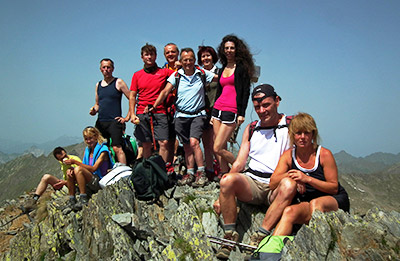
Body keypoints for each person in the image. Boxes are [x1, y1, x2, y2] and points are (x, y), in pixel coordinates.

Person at [214, 84, 290, 259]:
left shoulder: (291, 126)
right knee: (226, 180)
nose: (262, 110)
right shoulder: (252, 128)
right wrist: (222, 194)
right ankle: (229, 237)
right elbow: (239, 163)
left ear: (277, 101)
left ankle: (259, 236)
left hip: (275, 186)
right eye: (257, 107)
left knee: (288, 185)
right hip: (252, 184)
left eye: (266, 105)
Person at [269, 112, 350, 237]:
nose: (302, 137)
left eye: (306, 133)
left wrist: (307, 179)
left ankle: (314, 242)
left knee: (316, 205)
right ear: (292, 135)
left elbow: (333, 188)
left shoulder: (324, 155)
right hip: (308, 201)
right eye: (298, 133)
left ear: (313, 134)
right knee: (289, 212)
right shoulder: (288, 155)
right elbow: (273, 182)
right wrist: (293, 176)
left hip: (333, 199)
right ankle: (270, 250)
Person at [152, 48, 217, 187]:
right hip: (181, 116)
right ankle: (190, 172)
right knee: (187, 146)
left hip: (198, 115)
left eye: (190, 59)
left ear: (194, 61)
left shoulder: (202, 73)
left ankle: (201, 173)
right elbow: (165, 92)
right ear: (181, 61)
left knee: (194, 142)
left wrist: (239, 73)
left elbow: (222, 78)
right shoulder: (177, 76)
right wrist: (154, 106)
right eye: (185, 60)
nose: (188, 62)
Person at [212, 34, 255, 173]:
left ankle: (239, 167)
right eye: (226, 48)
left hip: (231, 110)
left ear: (237, 50)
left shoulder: (241, 68)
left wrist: (241, 113)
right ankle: (225, 175)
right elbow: (219, 90)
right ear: (223, 50)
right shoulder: (222, 67)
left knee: (217, 148)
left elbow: (245, 91)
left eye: (232, 48)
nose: (229, 50)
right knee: (220, 147)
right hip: (218, 108)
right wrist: (213, 112)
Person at [128, 44, 174, 163]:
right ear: (142, 57)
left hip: (160, 112)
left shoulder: (164, 72)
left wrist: (178, 63)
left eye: (151, 54)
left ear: (156, 56)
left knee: (163, 142)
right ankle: (149, 170)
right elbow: (132, 96)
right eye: (146, 55)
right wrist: (132, 114)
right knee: (146, 144)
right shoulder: (137, 75)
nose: (149, 57)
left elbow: (180, 73)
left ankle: (162, 170)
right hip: (141, 113)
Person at [89, 58, 131, 165]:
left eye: (108, 67)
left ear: (113, 69)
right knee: (99, 148)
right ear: (100, 69)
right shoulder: (98, 85)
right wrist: (94, 110)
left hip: (114, 121)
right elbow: (98, 104)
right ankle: (103, 172)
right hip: (101, 121)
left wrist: (127, 117)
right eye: (104, 67)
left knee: (117, 148)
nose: (106, 69)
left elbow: (132, 98)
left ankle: (124, 174)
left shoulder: (118, 82)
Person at [63, 126, 114, 211]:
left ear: (96, 136)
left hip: (100, 180)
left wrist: (75, 162)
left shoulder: (103, 150)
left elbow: (94, 168)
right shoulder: (88, 150)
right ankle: (71, 200)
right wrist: (71, 168)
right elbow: (84, 165)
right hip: (90, 178)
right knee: (70, 172)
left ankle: (83, 198)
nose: (88, 141)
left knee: (78, 169)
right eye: (86, 139)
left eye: (90, 138)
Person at [22, 147, 82, 212]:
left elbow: (81, 178)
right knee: (46, 177)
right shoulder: (62, 163)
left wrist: (64, 182)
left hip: (76, 186)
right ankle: (34, 201)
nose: (64, 159)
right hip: (66, 184)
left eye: (65, 156)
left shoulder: (74, 159)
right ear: (59, 160)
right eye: (61, 159)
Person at [197, 45, 220, 180]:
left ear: (213, 57)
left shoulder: (219, 71)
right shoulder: (198, 73)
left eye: (208, 55)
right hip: (202, 110)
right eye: (203, 56)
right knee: (207, 142)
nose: (206, 58)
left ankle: (222, 168)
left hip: (217, 110)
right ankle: (210, 169)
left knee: (218, 142)